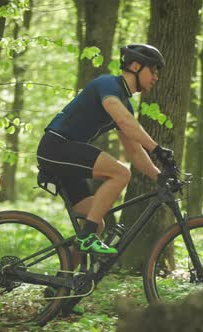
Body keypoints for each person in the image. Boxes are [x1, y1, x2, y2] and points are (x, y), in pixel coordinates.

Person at [36, 44, 173, 255]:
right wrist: (157, 149)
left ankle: (62, 285)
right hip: (56, 146)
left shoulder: (125, 104)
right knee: (120, 173)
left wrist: (160, 177)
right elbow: (123, 120)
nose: (156, 77)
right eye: (153, 70)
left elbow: (135, 153)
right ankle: (87, 238)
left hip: (66, 157)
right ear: (135, 66)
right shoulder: (108, 84)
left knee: (96, 221)